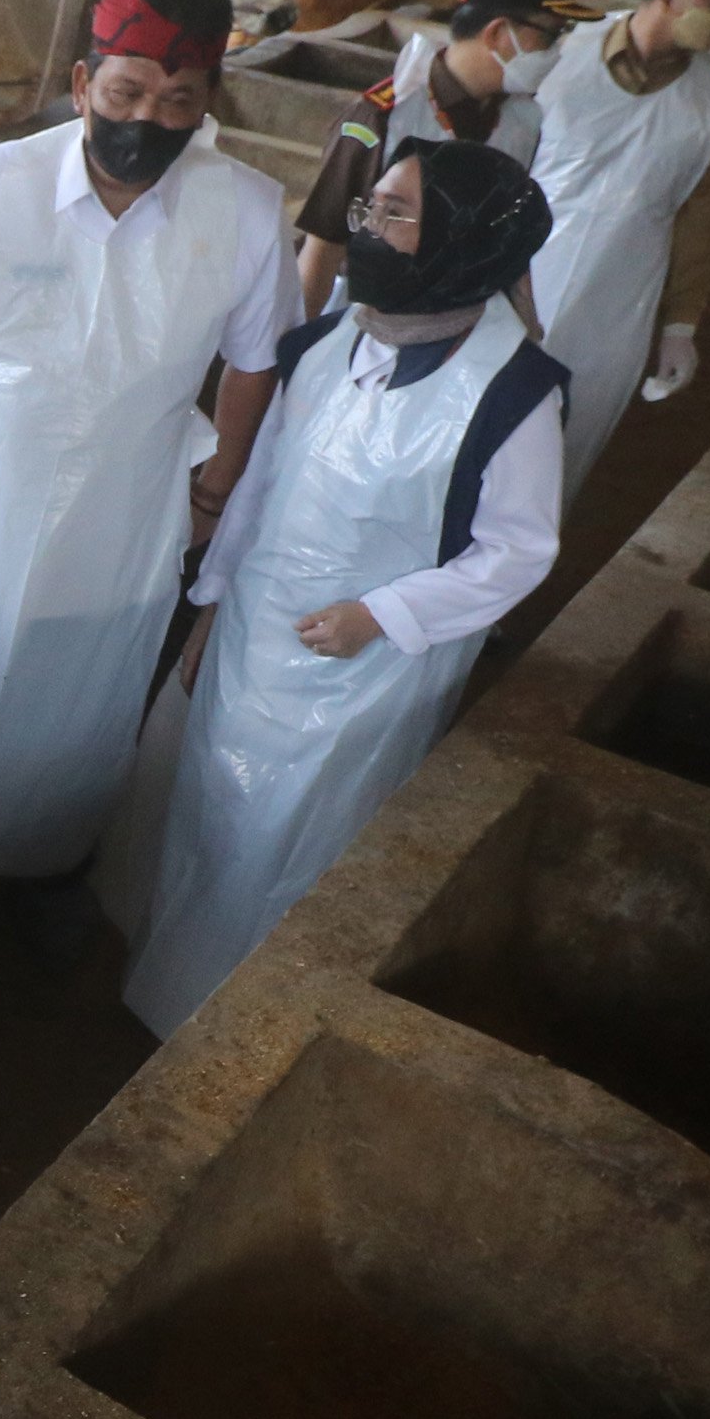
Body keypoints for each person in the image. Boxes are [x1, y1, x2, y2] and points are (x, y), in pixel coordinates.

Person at [0, 0, 291, 923]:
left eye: (178, 101)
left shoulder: (246, 211)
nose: (147, 119)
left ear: (208, 102)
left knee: (82, 698)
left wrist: (215, 490)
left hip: (124, 511)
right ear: (84, 82)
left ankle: (44, 871)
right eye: (126, 92)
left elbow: (256, 362)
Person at [126, 141, 566, 1036]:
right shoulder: (329, 342)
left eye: (395, 214)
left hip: (373, 666)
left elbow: (518, 550)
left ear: (460, 240)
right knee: (213, 813)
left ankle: (245, 1020)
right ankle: (173, 992)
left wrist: (382, 615)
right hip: (258, 629)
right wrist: (212, 608)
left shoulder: (513, 390)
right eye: (370, 208)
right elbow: (259, 486)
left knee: (300, 838)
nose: (366, 228)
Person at [522, 0, 710, 505]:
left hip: (620, 301)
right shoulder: (565, 54)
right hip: (521, 278)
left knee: (564, 447)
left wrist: (680, 325)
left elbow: (701, 212)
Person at [289, 0, 584, 315]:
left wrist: (526, 320)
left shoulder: (522, 121)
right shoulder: (383, 119)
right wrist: (299, 342)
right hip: (370, 317)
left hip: (467, 321)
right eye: (550, 36)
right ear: (497, 33)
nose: (556, 52)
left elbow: (507, 238)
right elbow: (323, 249)